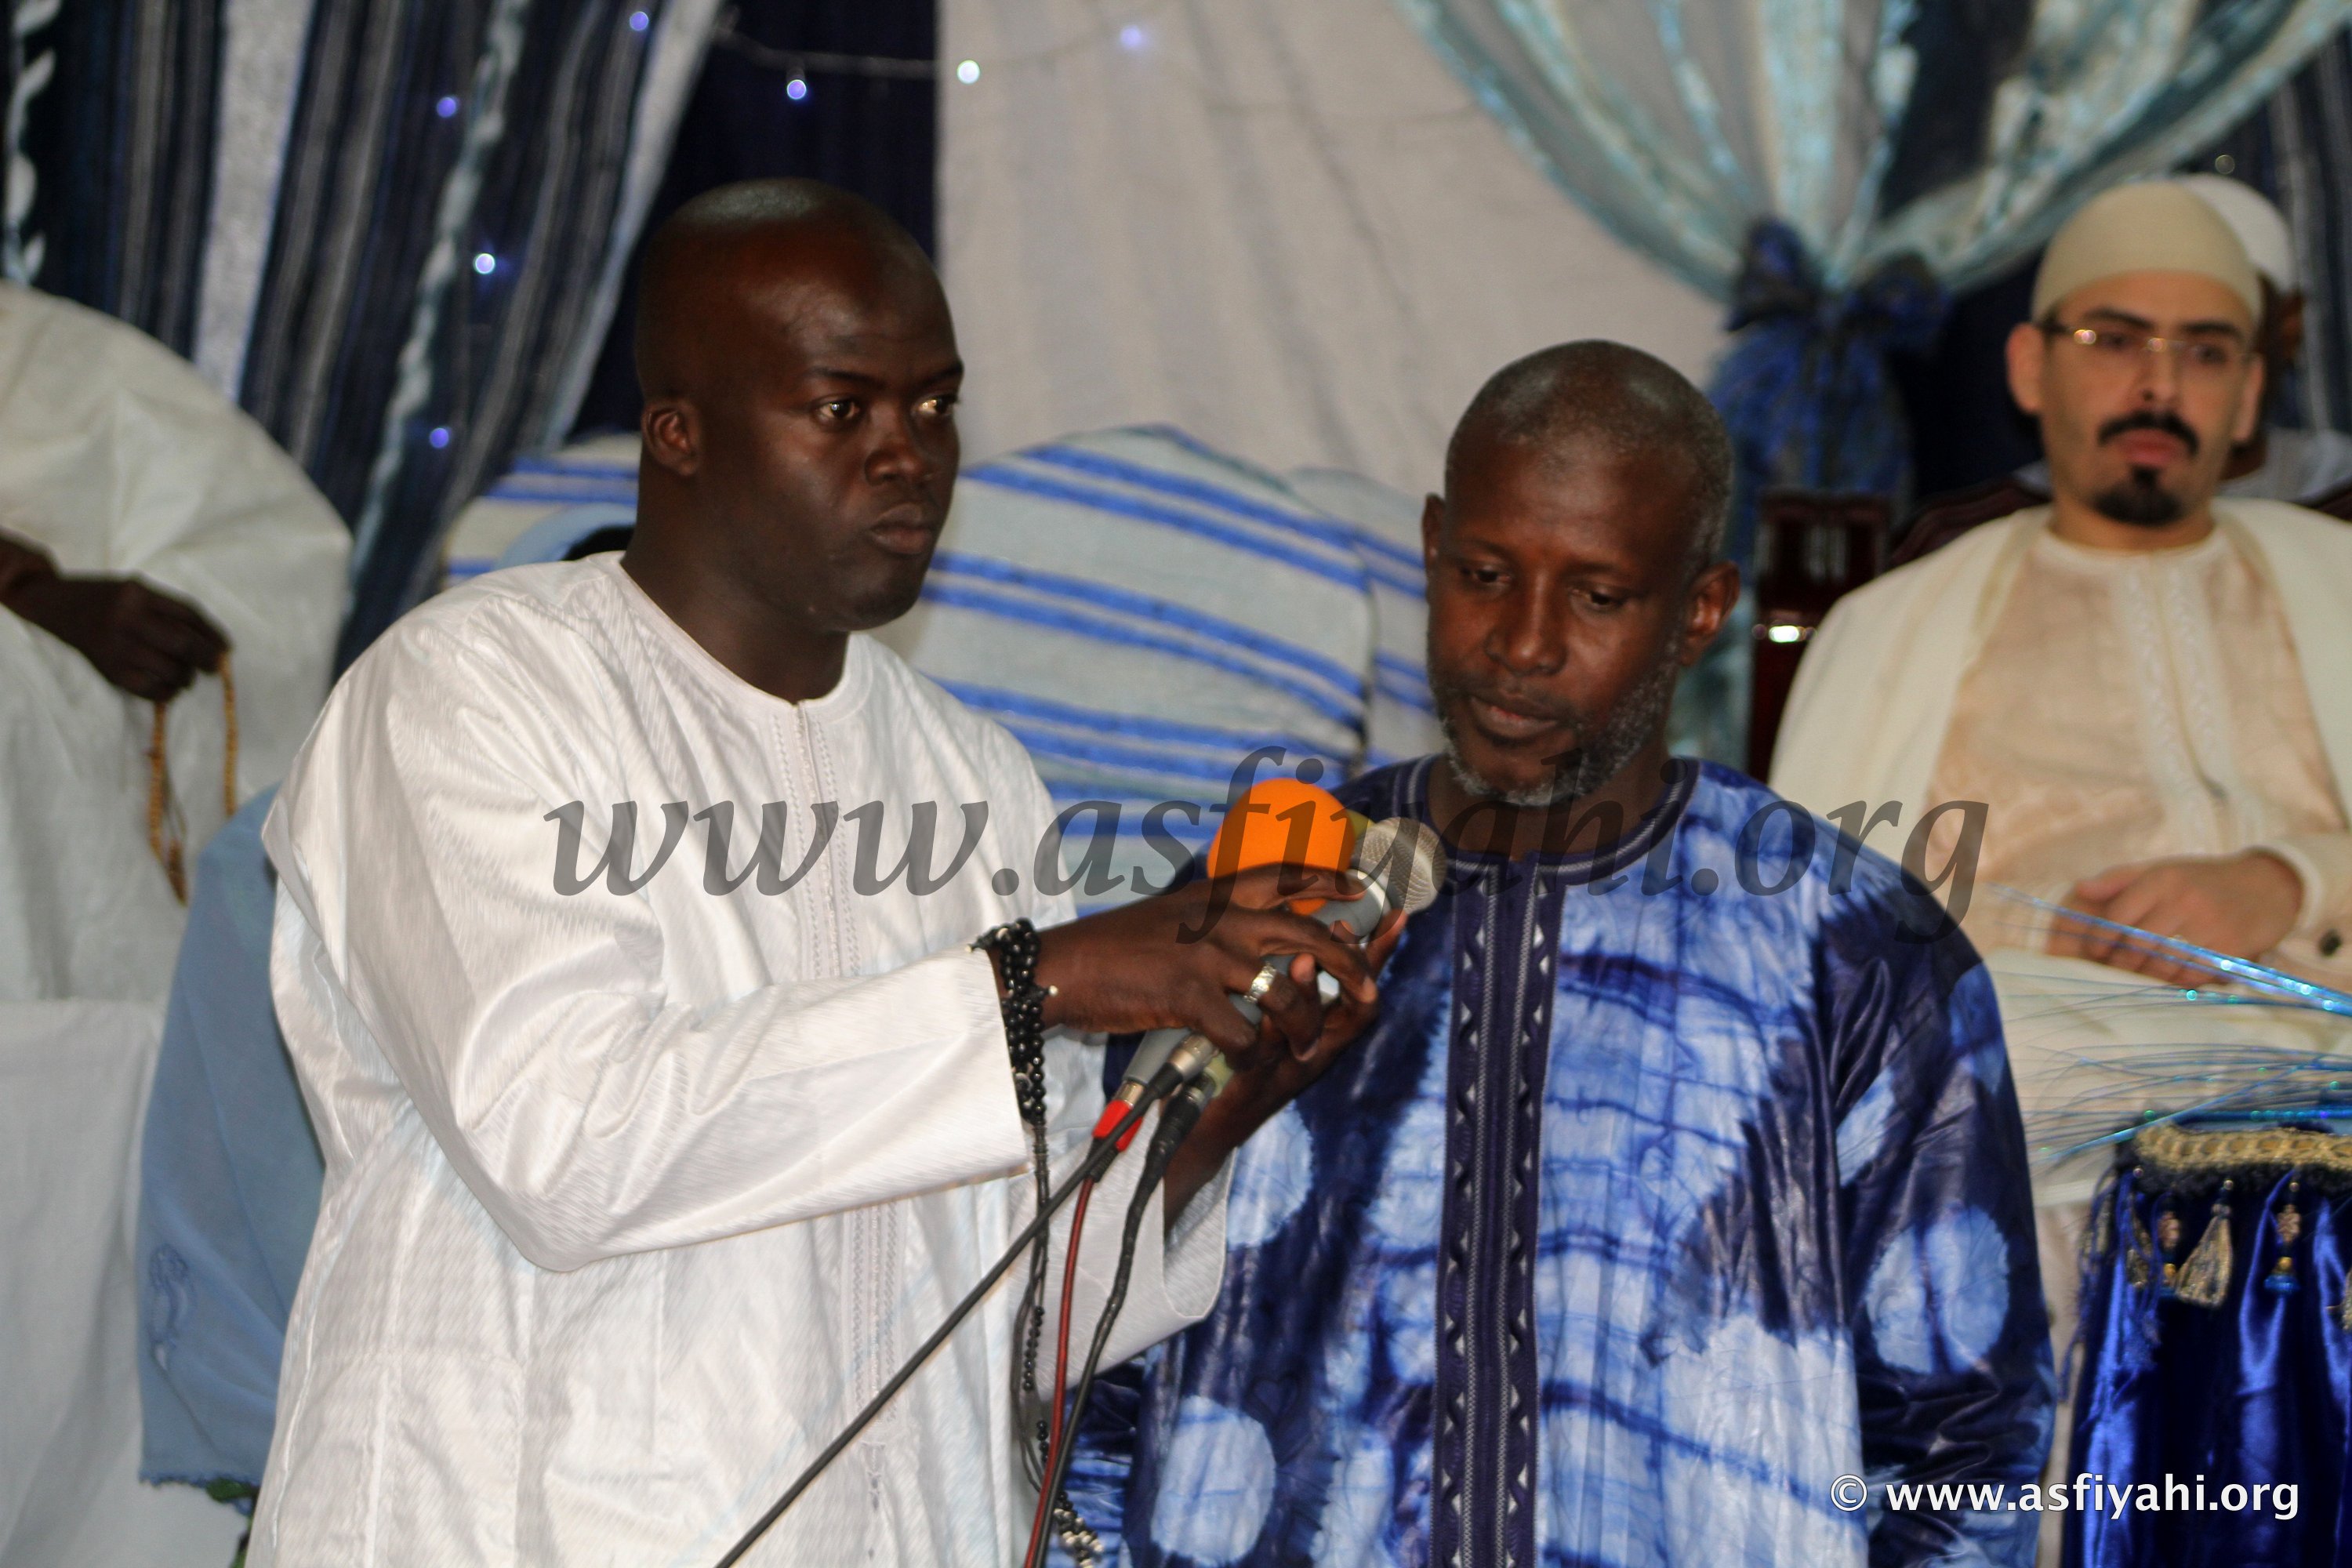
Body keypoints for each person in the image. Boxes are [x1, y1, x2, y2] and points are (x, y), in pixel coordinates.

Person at [247, 179, 1399, 1565]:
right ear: (678, 434)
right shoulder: (467, 692)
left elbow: (1004, 1313)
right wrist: (1046, 984)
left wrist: (1204, 1123)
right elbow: (564, 1135)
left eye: (935, 404)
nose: (910, 456)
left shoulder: (974, 778)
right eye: (843, 409)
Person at [1074, 343, 2053, 1566]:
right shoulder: (1259, 906)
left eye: (1596, 596)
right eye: (1486, 573)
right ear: (1432, 548)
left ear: (1701, 608)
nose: (1522, 644)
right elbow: (1087, 1353)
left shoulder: (1856, 951)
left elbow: (1964, 1443)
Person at [1893, 175, 2352, 568]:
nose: (2161, 387)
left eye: (2205, 351)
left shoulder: (2335, 536)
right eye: (2116, 343)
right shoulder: (1957, 551)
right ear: (2032, 365)